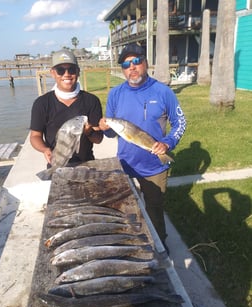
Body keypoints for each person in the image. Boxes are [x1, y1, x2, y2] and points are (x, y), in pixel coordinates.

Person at [99, 43, 186, 253]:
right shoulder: (115, 94)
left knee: (154, 209)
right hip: (125, 164)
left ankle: (159, 245)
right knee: (124, 208)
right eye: (126, 64)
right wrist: (104, 128)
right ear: (122, 69)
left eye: (137, 61)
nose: (132, 67)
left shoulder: (163, 91)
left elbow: (180, 123)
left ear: (145, 63)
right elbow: (111, 132)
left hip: (154, 166)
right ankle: (129, 244)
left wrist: (168, 143)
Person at [30, 49, 103, 167]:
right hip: (57, 164)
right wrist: (45, 149)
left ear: (78, 72)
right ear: (52, 73)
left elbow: (98, 139)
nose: (67, 74)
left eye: (72, 69)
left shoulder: (91, 101)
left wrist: (89, 132)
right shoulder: (41, 103)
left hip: (87, 165)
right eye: (60, 70)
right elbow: (35, 136)